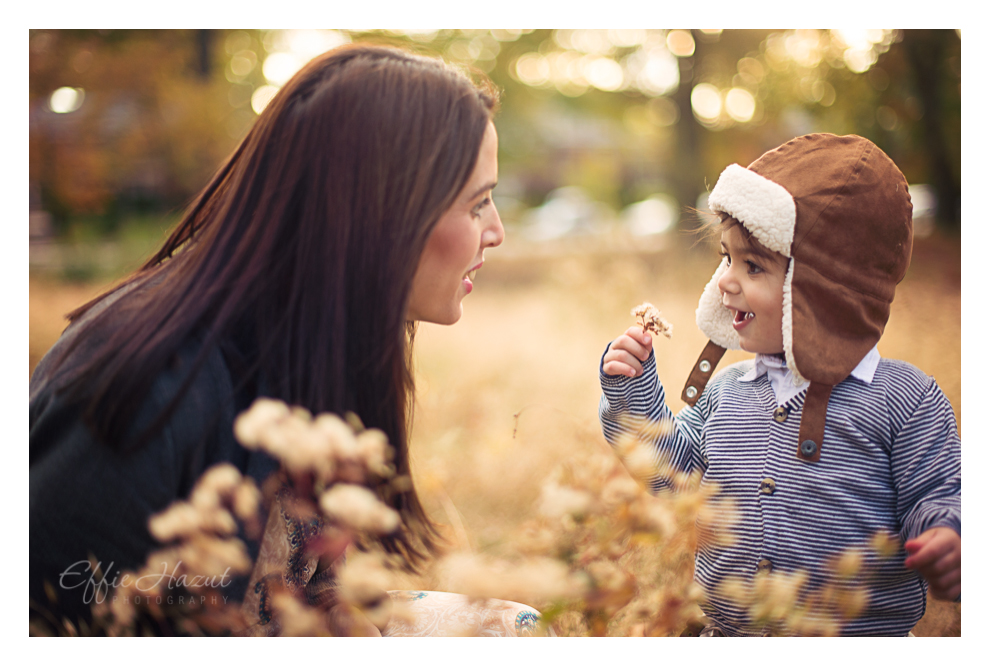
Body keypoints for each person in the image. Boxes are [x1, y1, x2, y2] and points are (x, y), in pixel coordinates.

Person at [30, 44, 536, 636]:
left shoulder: (319, 337)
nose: (497, 231)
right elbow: (55, 617)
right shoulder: (144, 381)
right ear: (383, 210)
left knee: (511, 629)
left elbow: (307, 590)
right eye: (477, 204)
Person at [598, 134, 960, 636]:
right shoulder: (728, 392)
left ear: (823, 291)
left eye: (752, 266)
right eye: (725, 258)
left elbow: (942, 489)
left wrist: (949, 533)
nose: (725, 281)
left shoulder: (903, 399)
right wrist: (632, 393)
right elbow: (670, 476)